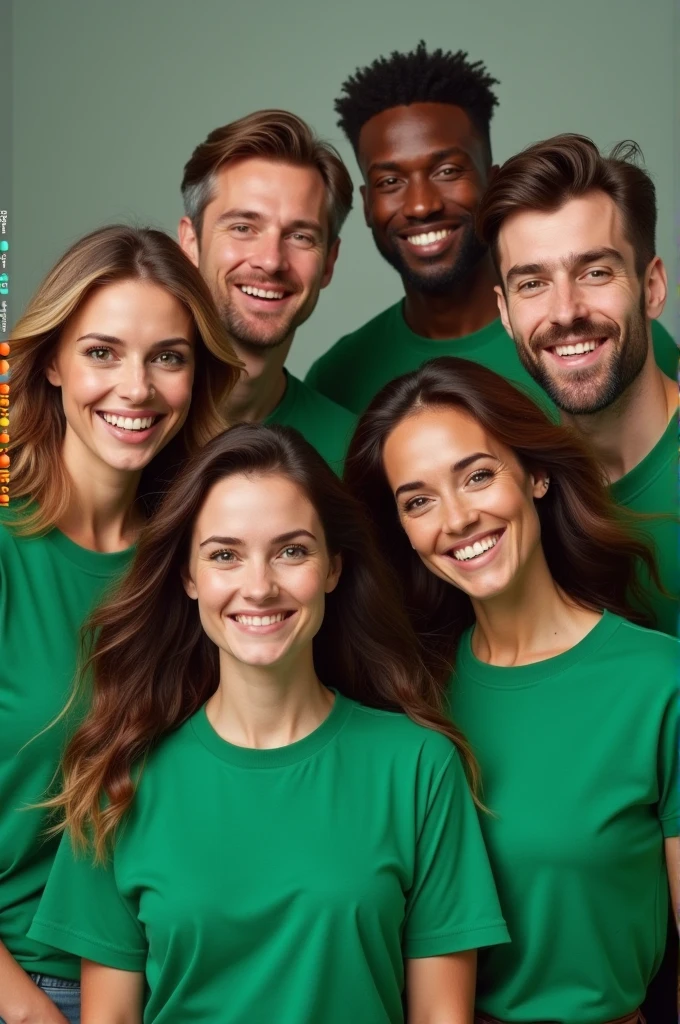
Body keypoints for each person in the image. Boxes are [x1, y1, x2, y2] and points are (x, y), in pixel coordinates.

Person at [29, 423, 508, 1023]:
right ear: (188, 576)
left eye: (291, 550)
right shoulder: (119, 781)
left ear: (333, 567)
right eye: (225, 555)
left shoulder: (417, 766)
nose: (258, 587)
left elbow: (441, 1016)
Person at [344, 356, 679, 1024]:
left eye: (476, 475)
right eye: (418, 500)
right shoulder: (403, 698)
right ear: (402, 533)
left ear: (536, 473)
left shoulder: (658, 684)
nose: (458, 517)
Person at [0, 225, 240, 1024]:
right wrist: (29, 1010)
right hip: (27, 985)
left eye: (167, 357)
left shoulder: (205, 570)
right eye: (102, 352)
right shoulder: (6, 556)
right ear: (53, 364)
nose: (135, 388)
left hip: (172, 980)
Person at [305, 42, 677, 414]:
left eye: (447, 171)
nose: (421, 205)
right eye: (390, 182)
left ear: (491, 181)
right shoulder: (337, 379)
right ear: (367, 204)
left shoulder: (618, 336)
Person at [476, 133, 677, 641]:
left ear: (651, 288)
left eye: (595, 271)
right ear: (505, 312)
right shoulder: (517, 505)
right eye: (532, 284)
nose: (565, 312)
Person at [178, 110, 357, 473]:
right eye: (243, 227)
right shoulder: (126, 426)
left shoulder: (356, 453)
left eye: (300, 236)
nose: (272, 261)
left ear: (329, 262)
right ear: (190, 243)